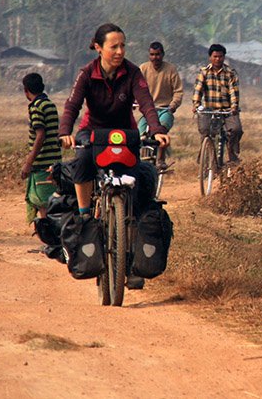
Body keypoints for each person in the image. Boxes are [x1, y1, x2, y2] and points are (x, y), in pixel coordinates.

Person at [58, 24, 170, 290]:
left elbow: (146, 103)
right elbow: (72, 106)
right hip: (92, 132)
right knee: (82, 161)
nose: (120, 51)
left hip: (126, 134)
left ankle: (132, 256)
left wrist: (156, 130)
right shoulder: (86, 74)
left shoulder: (133, 72)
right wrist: (65, 132)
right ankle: (86, 214)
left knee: (141, 177)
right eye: (114, 46)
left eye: (123, 46)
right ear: (98, 47)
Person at [21, 72, 61, 225]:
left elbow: (40, 135)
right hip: (54, 160)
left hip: (42, 164)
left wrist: (28, 163)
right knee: (50, 200)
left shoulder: (36, 107)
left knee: (43, 203)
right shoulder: (49, 104)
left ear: (26, 90)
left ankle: (48, 237)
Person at [192, 43, 242, 164]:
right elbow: (198, 90)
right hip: (208, 110)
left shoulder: (230, 73)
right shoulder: (204, 72)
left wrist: (234, 107)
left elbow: (234, 93)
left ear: (224, 57)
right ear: (210, 57)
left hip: (227, 110)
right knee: (205, 131)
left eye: (220, 56)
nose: (217, 59)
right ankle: (206, 160)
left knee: (235, 129)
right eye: (215, 56)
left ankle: (232, 154)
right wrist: (196, 105)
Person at [137, 41, 183, 169]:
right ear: (149, 55)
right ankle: (136, 162)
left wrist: (173, 106)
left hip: (165, 110)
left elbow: (178, 91)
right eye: (152, 54)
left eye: (157, 54)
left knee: (161, 130)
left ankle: (160, 159)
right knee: (138, 136)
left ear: (162, 55)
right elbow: (135, 88)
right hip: (147, 110)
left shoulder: (171, 69)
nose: (154, 57)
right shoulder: (143, 68)